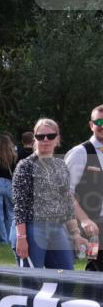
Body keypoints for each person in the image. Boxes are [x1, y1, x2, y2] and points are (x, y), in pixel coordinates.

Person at [12, 118, 89, 269]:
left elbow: (66, 203)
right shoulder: (25, 166)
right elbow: (19, 206)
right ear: (35, 139)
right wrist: (21, 237)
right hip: (32, 228)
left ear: (57, 138)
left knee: (67, 278)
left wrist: (75, 234)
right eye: (40, 136)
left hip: (57, 227)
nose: (45, 140)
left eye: (50, 136)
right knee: (32, 283)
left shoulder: (60, 166)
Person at [64, 104, 103, 267]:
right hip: (90, 226)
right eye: (99, 122)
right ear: (91, 125)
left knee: (95, 266)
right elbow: (65, 192)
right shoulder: (80, 152)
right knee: (94, 264)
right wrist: (85, 220)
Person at [0, 134, 18, 244]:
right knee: (10, 213)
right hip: (10, 184)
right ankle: (10, 237)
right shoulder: (15, 157)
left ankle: (2, 239)